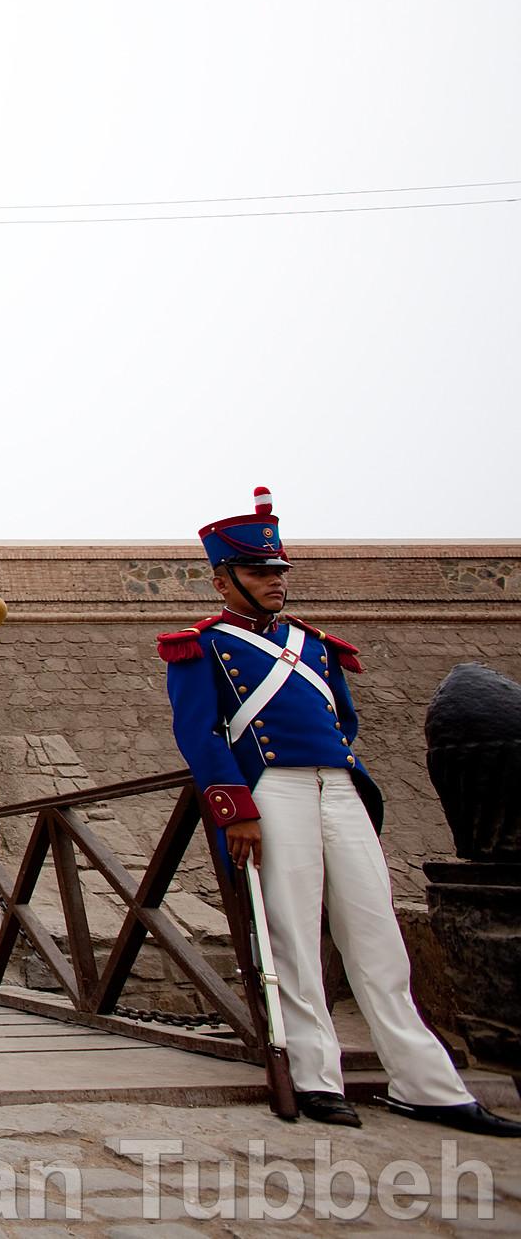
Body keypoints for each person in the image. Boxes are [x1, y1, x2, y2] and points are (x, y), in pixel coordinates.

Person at [161, 487, 518, 1136]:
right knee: (294, 937)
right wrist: (235, 805)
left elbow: (343, 720)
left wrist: (337, 778)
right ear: (224, 579)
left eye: (278, 572)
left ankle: (427, 1083)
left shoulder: (318, 646)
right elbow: (201, 733)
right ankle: (315, 1075)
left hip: (338, 788)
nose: (275, 582)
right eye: (260, 572)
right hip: (271, 792)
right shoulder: (201, 647)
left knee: (377, 934)